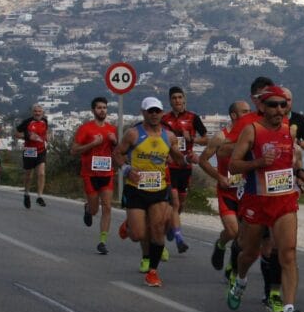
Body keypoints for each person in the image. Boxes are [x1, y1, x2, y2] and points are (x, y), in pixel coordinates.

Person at [225, 85, 304, 312]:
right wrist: (258, 162)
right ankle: (240, 280)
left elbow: (290, 164)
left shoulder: (289, 132)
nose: (279, 109)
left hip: (284, 200)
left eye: (283, 105)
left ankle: (289, 310)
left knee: (288, 253)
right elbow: (233, 165)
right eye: (273, 105)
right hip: (256, 201)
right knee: (249, 253)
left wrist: (301, 174)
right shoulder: (252, 131)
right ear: (262, 107)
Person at [114, 96, 187, 287]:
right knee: (138, 234)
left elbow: (176, 159)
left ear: (162, 113)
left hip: (159, 189)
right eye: (150, 111)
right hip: (136, 190)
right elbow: (117, 153)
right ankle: (129, 224)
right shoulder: (133, 134)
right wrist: (126, 170)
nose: (154, 114)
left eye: (157, 111)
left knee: (157, 230)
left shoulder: (169, 136)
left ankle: (153, 272)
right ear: (143, 113)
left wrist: (184, 157)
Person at [198, 99, 250, 278]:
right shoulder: (221, 137)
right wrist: (219, 177)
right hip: (227, 192)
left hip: (246, 192)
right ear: (234, 115)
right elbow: (202, 160)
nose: (248, 114)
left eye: (249, 111)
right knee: (233, 232)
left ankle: (232, 267)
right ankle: (221, 244)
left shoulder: (251, 135)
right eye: (244, 111)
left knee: (243, 237)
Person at [161, 86, 207, 253]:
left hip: (185, 166)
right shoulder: (164, 119)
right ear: (170, 101)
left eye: (180, 97)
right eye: (174, 98)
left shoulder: (193, 118)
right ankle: (180, 238)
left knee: (180, 205)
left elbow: (206, 139)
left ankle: (170, 228)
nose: (177, 101)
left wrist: (192, 139)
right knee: (174, 202)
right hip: (169, 166)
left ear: (184, 99)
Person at [71, 96, 118, 255]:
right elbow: (74, 150)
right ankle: (87, 208)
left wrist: (114, 142)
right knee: (94, 210)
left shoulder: (112, 129)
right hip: (90, 174)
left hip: (107, 173)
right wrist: (92, 144)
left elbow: (118, 152)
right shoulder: (86, 129)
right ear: (93, 110)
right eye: (99, 108)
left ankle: (102, 241)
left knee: (107, 206)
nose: (102, 110)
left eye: (104, 107)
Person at [15, 104, 50, 209]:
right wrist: (28, 136)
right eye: (35, 111)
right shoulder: (27, 122)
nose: (37, 113)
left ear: (42, 112)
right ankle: (26, 193)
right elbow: (16, 134)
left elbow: (46, 132)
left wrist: (47, 139)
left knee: (41, 173)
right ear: (32, 112)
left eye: (39, 111)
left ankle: (39, 196)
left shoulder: (45, 121)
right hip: (29, 150)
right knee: (28, 175)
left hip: (41, 151)